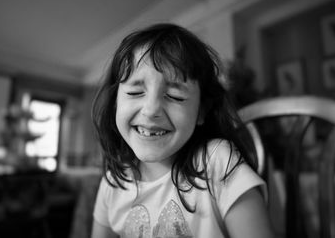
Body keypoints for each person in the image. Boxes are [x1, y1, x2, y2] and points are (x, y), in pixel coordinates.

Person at [90, 23, 273, 238]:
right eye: (135, 92)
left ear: (201, 111)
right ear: (115, 104)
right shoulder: (113, 182)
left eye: (175, 97)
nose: (151, 110)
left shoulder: (216, 162)